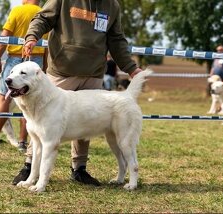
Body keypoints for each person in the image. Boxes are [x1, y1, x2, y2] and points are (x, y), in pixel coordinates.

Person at [13, 0, 142, 187]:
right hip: (62, 71)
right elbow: (43, 17)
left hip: (93, 73)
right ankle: (29, 168)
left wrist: (131, 68)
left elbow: (116, 40)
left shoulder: (112, 5)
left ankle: (79, 169)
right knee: (42, 123)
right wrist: (32, 36)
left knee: (86, 122)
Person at [0, 0, 47, 149]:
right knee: (31, 101)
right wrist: (45, 65)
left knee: (3, 98)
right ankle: (23, 142)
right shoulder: (44, 13)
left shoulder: (18, 11)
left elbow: (4, 37)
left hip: (16, 58)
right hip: (36, 60)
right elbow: (46, 44)